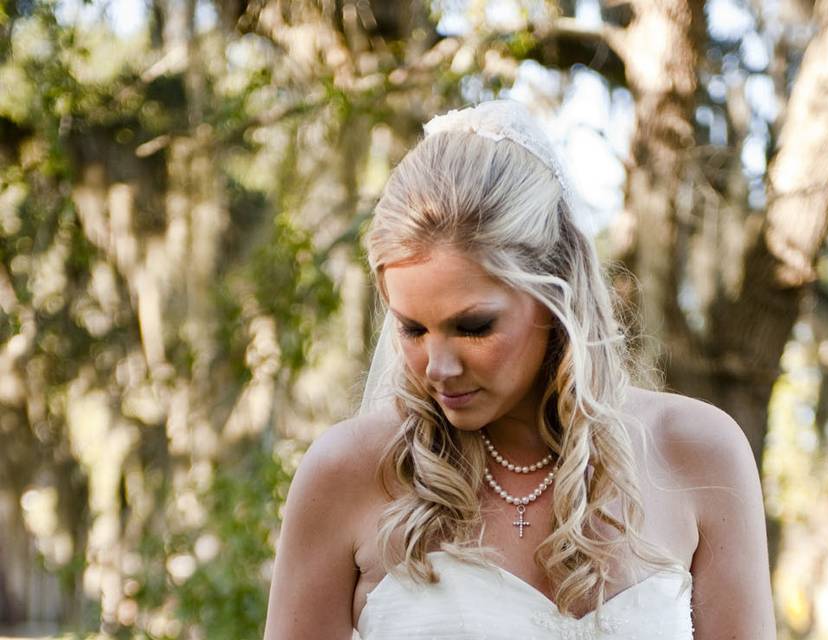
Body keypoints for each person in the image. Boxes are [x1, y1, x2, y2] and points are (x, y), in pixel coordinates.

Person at [263, 100, 776, 639]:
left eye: (473, 327)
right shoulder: (346, 474)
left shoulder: (699, 454)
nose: (438, 367)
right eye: (413, 329)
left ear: (557, 298)